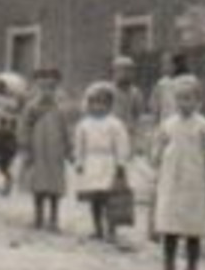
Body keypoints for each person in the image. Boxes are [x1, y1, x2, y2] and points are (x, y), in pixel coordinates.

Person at [151, 76, 205, 270]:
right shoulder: (168, 124)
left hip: (194, 183)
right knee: (169, 227)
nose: (183, 103)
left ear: (198, 101)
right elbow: (158, 150)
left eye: (188, 99)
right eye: (180, 99)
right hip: (171, 180)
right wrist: (157, 161)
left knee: (192, 230)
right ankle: (168, 268)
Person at [72, 82, 131, 244]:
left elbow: (122, 144)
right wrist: (79, 161)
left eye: (103, 103)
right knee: (95, 199)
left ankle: (111, 229)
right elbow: (79, 144)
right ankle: (97, 228)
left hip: (108, 162)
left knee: (109, 198)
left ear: (110, 105)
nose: (98, 107)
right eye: (94, 103)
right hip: (91, 162)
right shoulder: (84, 124)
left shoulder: (115, 124)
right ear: (89, 104)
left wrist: (121, 163)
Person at [17, 69, 73, 232]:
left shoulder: (61, 108)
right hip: (37, 151)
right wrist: (25, 147)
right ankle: (38, 217)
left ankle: (54, 219)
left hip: (55, 151)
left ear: (55, 89)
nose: (46, 91)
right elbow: (23, 128)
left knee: (55, 186)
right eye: (42, 87)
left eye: (50, 87)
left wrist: (69, 149)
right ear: (36, 88)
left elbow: (66, 130)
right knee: (37, 185)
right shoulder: (31, 108)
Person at [109, 56, 145, 128]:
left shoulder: (136, 92)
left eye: (129, 70)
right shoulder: (107, 90)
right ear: (114, 72)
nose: (126, 74)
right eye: (122, 70)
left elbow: (138, 114)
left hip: (129, 129)